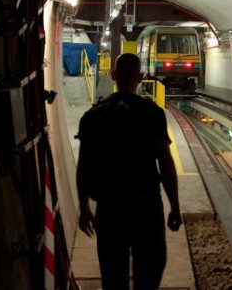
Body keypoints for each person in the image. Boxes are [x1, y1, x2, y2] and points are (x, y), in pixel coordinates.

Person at [76, 53, 182, 290]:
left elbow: (84, 166)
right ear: (141, 78)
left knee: (113, 278)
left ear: (113, 76)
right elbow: (165, 164)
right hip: (146, 208)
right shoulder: (152, 114)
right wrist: (175, 206)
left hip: (110, 209)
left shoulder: (93, 116)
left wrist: (84, 208)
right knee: (149, 275)